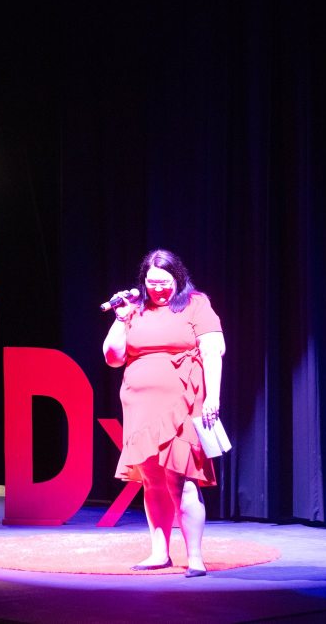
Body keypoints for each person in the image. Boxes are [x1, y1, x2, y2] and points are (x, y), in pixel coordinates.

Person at [102, 248, 225, 578]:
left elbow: (213, 350)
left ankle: (195, 557)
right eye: (152, 282)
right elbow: (112, 358)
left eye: (165, 282)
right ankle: (160, 553)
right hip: (139, 405)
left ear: (178, 278)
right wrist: (120, 318)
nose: (158, 289)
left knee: (182, 479)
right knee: (152, 480)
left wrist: (213, 396)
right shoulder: (134, 309)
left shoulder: (195, 303)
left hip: (182, 402)